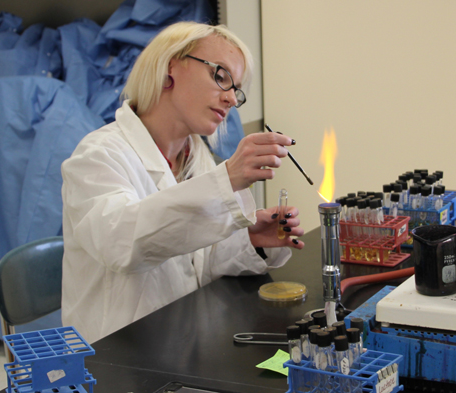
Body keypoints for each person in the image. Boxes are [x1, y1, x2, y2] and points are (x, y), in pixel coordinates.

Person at [61, 21, 304, 343]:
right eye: (221, 76)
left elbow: (192, 259)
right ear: (170, 68)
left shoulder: (195, 157)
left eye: (237, 89)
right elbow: (122, 244)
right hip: (114, 352)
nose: (231, 99)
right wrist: (227, 178)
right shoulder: (98, 156)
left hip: (180, 337)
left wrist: (250, 240)